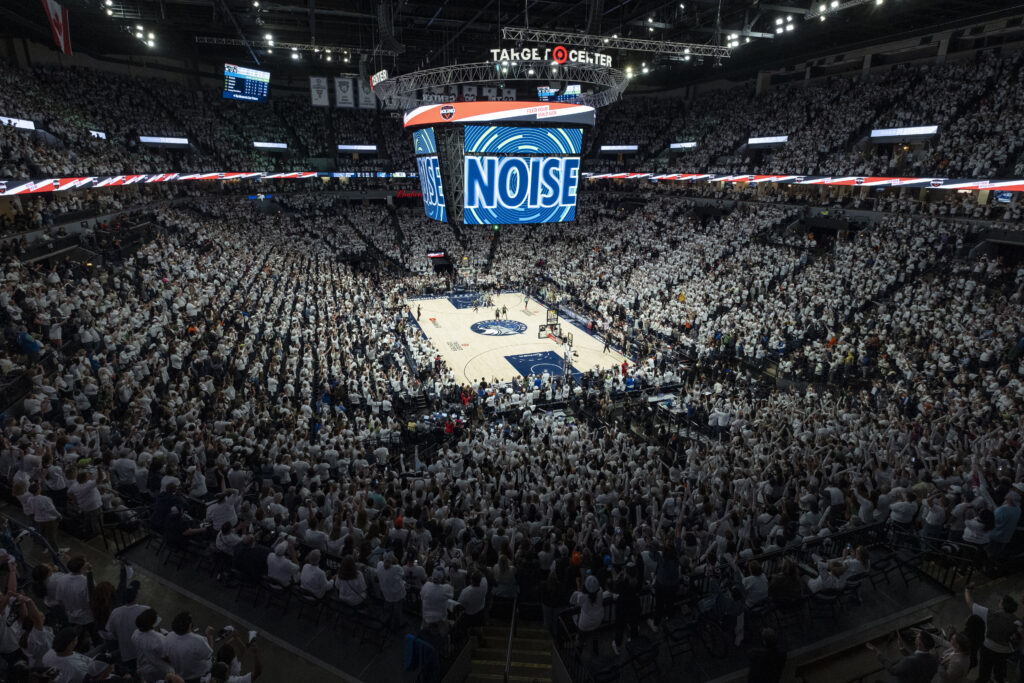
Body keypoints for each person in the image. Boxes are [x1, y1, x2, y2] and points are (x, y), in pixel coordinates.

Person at [964, 587, 1017, 683]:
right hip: (1005, 651)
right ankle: (998, 679)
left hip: (988, 647)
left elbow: (970, 604)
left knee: (985, 671)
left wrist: (967, 590)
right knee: (999, 669)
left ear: (1002, 605)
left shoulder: (990, 614)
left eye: (1000, 601)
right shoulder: (1017, 621)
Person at [41, 626, 115, 682]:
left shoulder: (49, 653)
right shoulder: (77, 668)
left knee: (101, 647)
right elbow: (93, 678)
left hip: (83, 659)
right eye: (76, 640)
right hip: (93, 668)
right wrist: (106, 671)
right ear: (71, 644)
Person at [865, 629, 938, 683]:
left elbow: (893, 670)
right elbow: (918, 661)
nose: (915, 637)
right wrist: (902, 648)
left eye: (917, 637)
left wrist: (877, 651)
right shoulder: (934, 660)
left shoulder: (908, 661)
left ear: (919, 644)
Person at [165, 611, 214, 683]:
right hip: (196, 676)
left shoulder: (169, 636)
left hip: (178, 675)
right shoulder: (197, 640)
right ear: (189, 625)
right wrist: (209, 635)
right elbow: (209, 654)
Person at [132, 608, 173, 683]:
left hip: (143, 667)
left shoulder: (135, 633)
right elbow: (166, 657)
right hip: (159, 670)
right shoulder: (158, 638)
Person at [570, 574, 604, 654]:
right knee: (595, 635)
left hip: (585, 624)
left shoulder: (582, 596)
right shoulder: (601, 591)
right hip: (598, 620)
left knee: (580, 639)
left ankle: (578, 655)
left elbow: (573, 601)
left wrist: (578, 585)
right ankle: (596, 651)